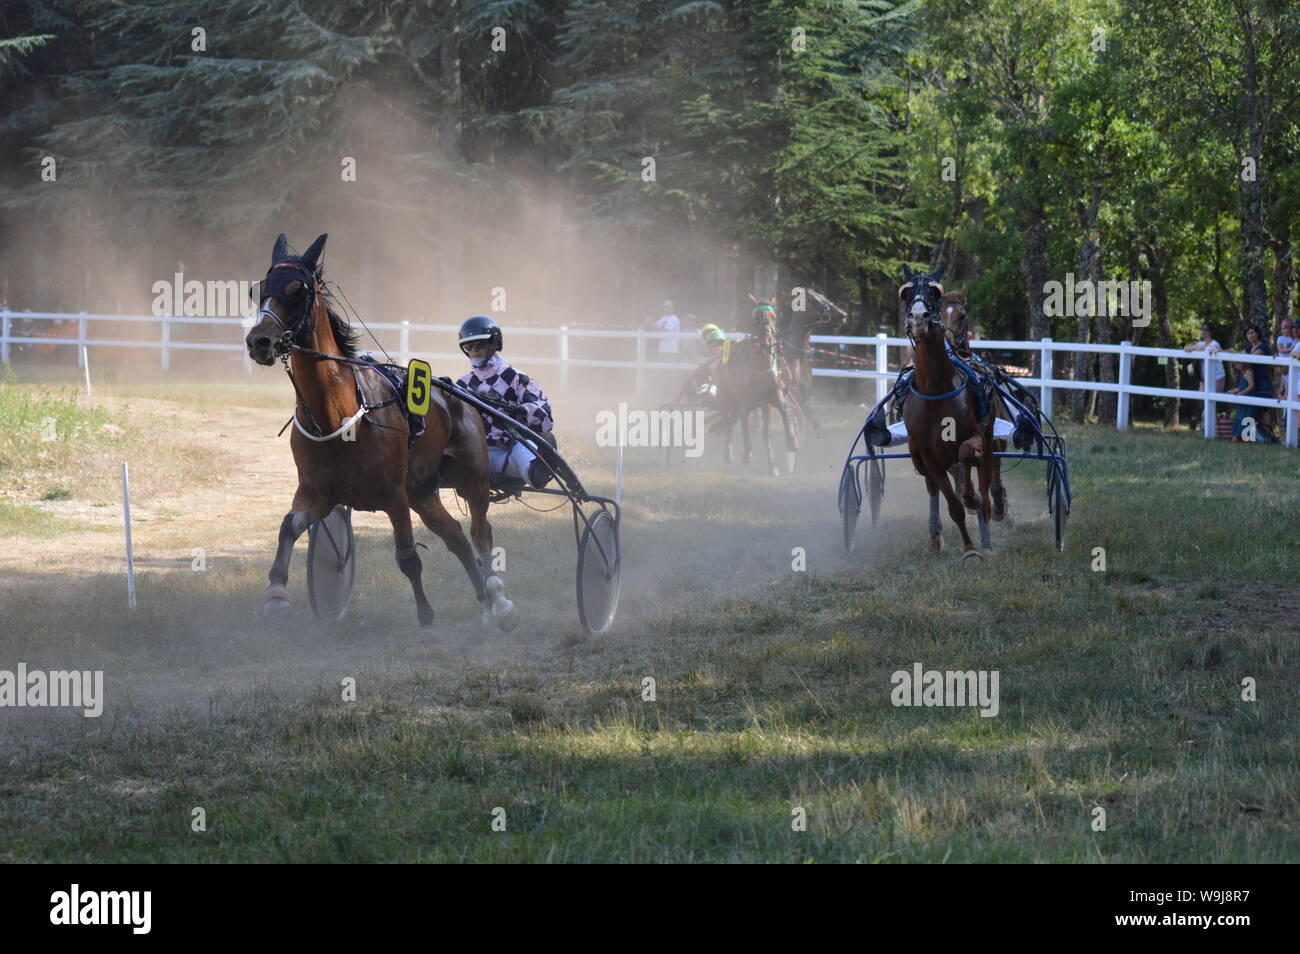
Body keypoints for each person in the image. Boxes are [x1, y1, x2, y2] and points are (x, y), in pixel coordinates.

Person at [456, 315, 557, 487]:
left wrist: (519, 410)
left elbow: (544, 411)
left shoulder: (514, 376)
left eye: (480, 344)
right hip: (479, 453)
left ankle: (537, 470)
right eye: (468, 346)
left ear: (495, 343)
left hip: (511, 452)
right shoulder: (462, 384)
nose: (474, 350)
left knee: (523, 451)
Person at [1184, 322, 1226, 430]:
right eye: (1202, 329)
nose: (1203, 332)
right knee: (1203, 401)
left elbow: (1208, 348)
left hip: (1217, 378)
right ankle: (1205, 426)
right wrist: (1194, 347)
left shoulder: (1215, 343)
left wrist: (1195, 348)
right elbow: (1186, 348)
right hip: (1204, 379)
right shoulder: (1200, 343)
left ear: (1211, 332)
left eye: (1206, 330)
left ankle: (1208, 428)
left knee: (1210, 403)